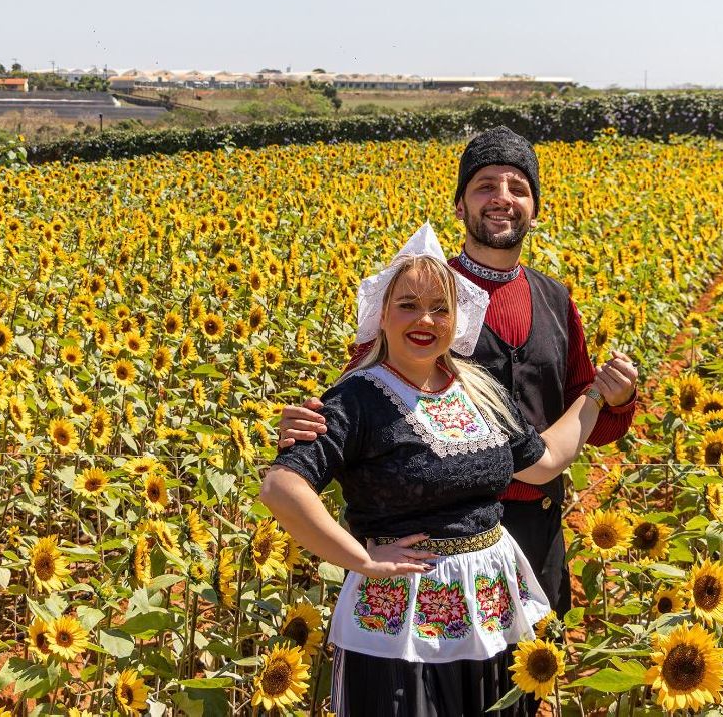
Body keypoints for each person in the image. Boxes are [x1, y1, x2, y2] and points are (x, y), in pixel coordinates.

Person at [278, 126, 639, 617]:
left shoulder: (555, 299)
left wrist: (612, 398)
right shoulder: (421, 293)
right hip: (428, 538)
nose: (502, 199)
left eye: (518, 188)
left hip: (534, 525)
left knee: (522, 679)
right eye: (485, 186)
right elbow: (358, 395)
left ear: (535, 209)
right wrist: (306, 430)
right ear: (460, 207)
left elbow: (583, 416)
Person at [261, 224, 608, 715]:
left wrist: (594, 395)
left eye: (440, 308)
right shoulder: (357, 397)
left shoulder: (477, 388)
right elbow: (281, 487)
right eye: (407, 305)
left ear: (457, 320)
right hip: (401, 620)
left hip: (489, 607)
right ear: (381, 315)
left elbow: (543, 462)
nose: (425, 319)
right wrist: (361, 560)